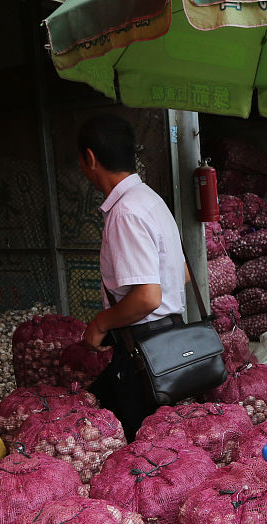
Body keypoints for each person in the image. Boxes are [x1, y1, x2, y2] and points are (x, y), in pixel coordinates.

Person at [77, 114, 187, 441]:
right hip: (171, 337)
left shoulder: (125, 211)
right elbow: (179, 275)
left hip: (144, 347)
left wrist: (100, 323)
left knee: (142, 444)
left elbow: (148, 297)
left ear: (90, 158)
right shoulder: (151, 200)